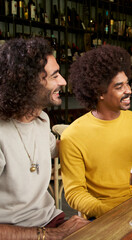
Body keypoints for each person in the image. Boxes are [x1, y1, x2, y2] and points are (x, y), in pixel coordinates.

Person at [0, 38, 89, 239]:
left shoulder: (40, 118)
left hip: (49, 219)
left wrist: (98, 137)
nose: (63, 82)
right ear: (28, 82)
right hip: (16, 232)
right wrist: (50, 235)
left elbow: (55, 148)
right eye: (55, 76)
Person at [60, 45, 132, 219]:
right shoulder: (72, 136)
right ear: (100, 92)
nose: (129, 90)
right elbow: (75, 193)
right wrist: (112, 213)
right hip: (101, 216)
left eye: (128, 83)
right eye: (119, 87)